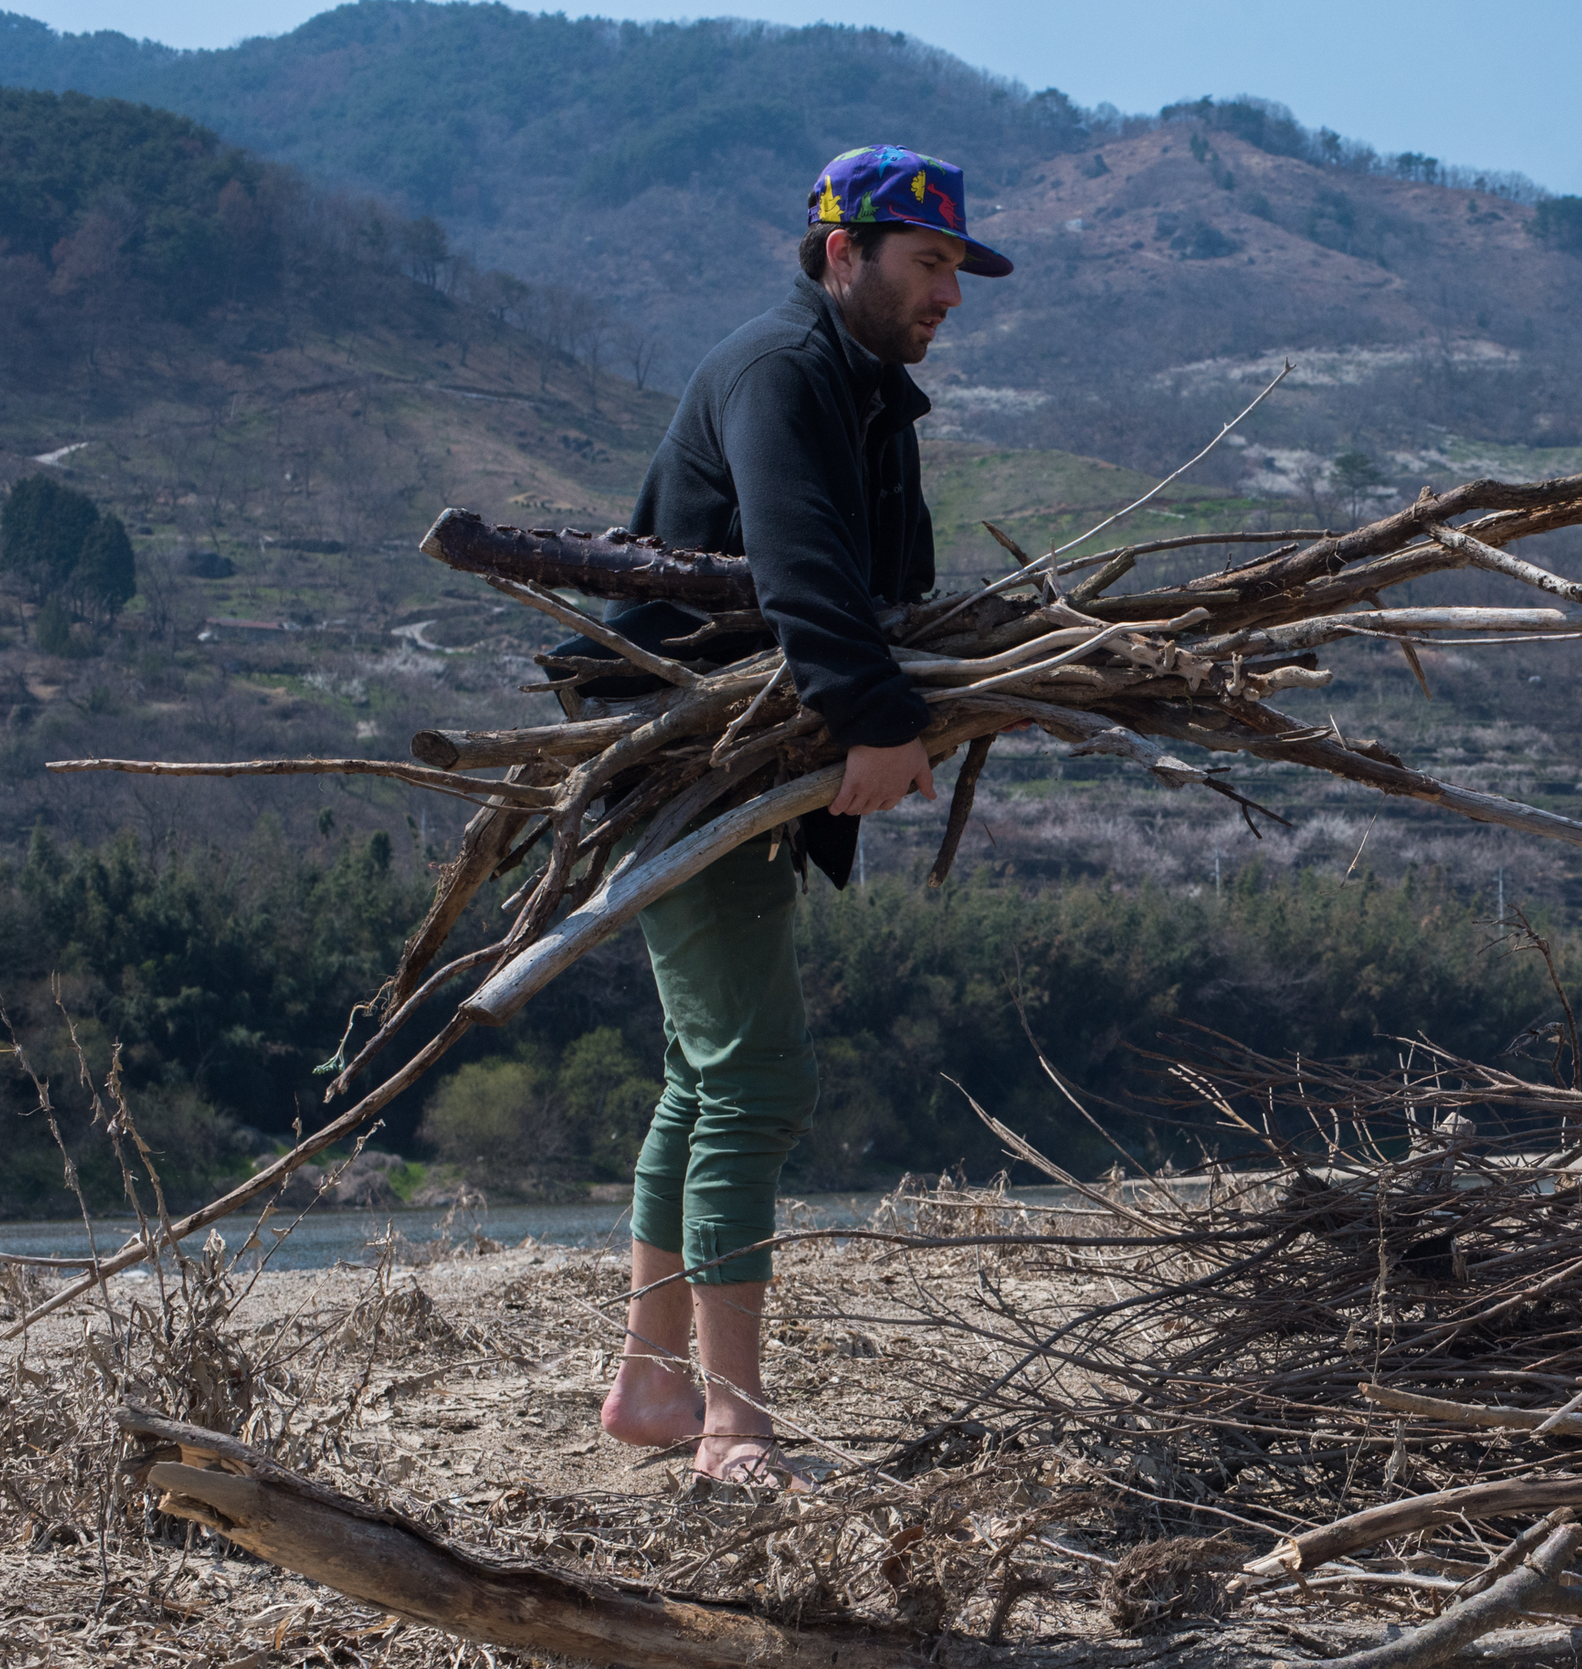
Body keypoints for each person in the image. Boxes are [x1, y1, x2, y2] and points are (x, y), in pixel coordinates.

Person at [589, 145, 1013, 1487]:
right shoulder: (784, 372)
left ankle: (655, 1388)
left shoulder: (867, 396)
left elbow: (886, 582)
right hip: (686, 767)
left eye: (957, 267)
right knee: (755, 1079)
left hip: (739, 766)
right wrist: (880, 718)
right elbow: (799, 562)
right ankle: (730, 1422)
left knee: (707, 1078)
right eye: (930, 262)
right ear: (845, 253)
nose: (950, 290)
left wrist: (904, 707)